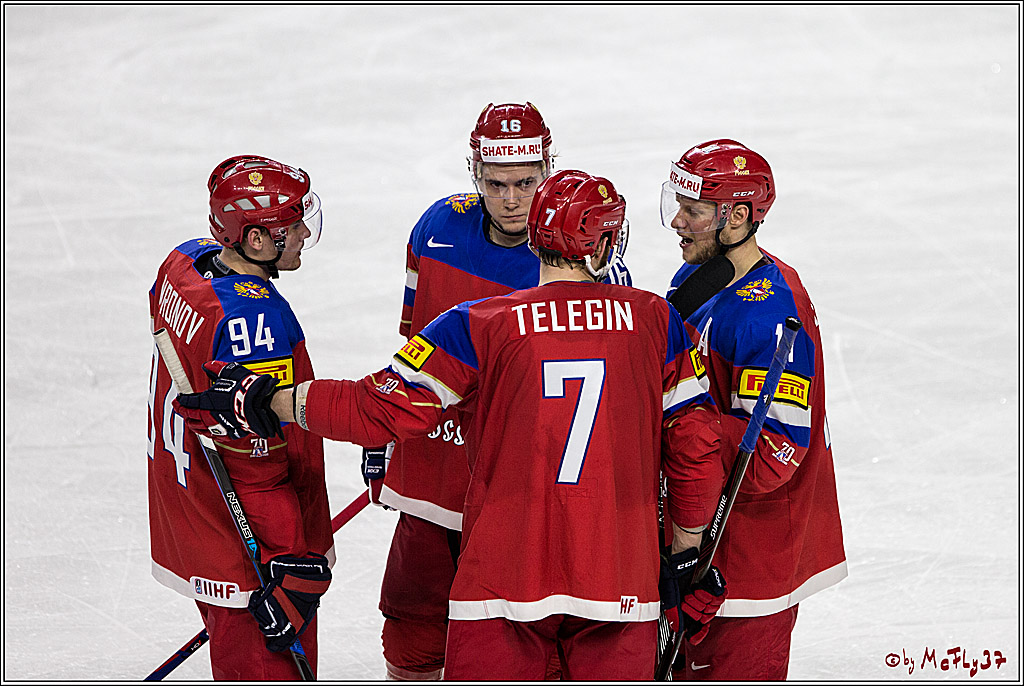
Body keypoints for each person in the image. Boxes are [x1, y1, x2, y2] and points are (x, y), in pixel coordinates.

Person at [174, 170, 727, 680]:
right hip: (619, 579)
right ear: (606, 245)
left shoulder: (478, 323)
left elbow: (377, 409)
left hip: (502, 579)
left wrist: (271, 398)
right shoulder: (660, 321)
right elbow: (696, 445)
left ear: (533, 238)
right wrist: (685, 550)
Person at [362, 102, 631, 680]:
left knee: (527, 620)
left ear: (548, 168)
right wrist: (386, 427)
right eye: (495, 184)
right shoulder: (436, 229)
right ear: (474, 173)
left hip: (522, 473)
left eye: (526, 184)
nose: (511, 199)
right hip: (434, 453)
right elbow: (411, 332)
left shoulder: (582, 248)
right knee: (414, 610)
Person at [659, 139, 848, 680]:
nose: (677, 221)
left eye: (692, 211)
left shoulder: (769, 315)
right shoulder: (696, 282)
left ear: (737, 216)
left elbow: (773, 452)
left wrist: (676, 426)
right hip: (698, 540)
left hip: (748, 564)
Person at [147, 155, 333, 680]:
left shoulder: (182, 264)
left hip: (191, 506)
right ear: (255, 241)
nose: (301, 233)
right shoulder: (253, 321)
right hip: (248, 539)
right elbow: (257, 460)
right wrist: (287, 558)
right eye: (291, 225)